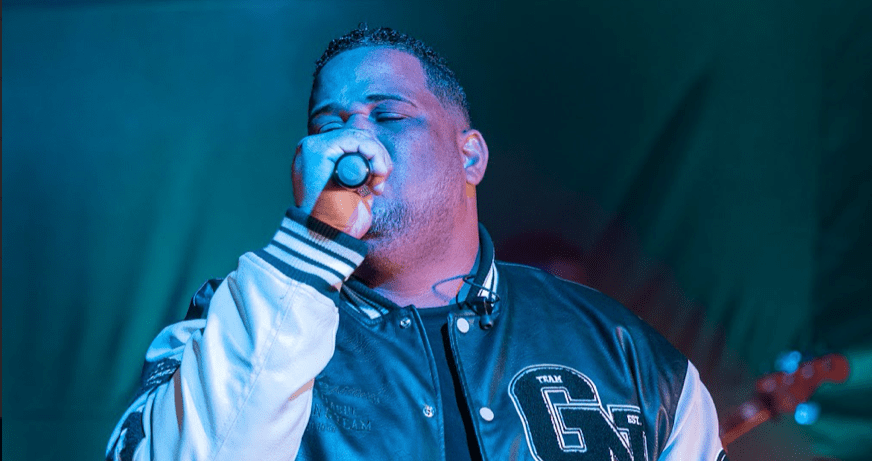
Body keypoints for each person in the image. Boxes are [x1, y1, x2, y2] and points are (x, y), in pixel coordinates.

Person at [106, 26, 727, 460]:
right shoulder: (232, 322)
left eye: (389, 115)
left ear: (470, 156)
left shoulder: (623, 349)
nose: (355, 141)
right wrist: (316, 241)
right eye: (329, 124)